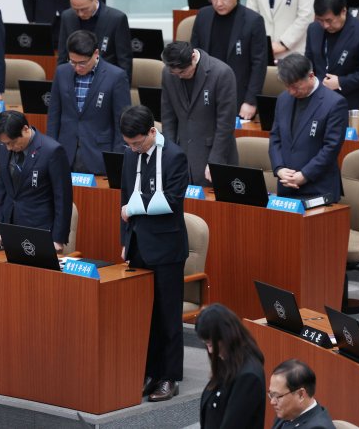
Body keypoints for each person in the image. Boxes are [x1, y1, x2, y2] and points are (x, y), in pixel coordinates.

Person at [120, 105, 189, 402]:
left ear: (152, 131)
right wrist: (126, 240)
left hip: (167, 248)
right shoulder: (129, 154)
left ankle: (170, 377)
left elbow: (171, 201)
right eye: (129, 144)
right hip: (138, 245)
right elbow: (124, 199)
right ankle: (149, 371)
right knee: (144, 315)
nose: (134, 148)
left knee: (168, 317)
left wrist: (133, 209)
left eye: (138, 143)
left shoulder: (174, 156)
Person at [47, 30, 130, 175]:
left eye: (82, 63)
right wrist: (50, 151)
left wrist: (116, 160)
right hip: (65, 153)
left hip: (99, 156)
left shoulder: (116, 76)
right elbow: (54, 116)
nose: (77, 67)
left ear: (96, 53)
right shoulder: (62, 72)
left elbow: (121, 123)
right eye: (73, 62)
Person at [268, 54, 348, 202]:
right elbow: (275, 138)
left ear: (311, 76)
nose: (291, 91)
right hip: (286, 187)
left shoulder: (334, 103)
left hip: (318, 189)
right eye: (287, 86)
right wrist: (279, 169)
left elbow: (331, 147)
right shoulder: (283, 99)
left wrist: (304, 175)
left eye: (295, 87)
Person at [191, 0, 268, 120]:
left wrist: (250, 101)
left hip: (238, 96)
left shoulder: (253, 21)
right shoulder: (203, 16)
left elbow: (259, 65)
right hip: (206, 93)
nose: (218, 2)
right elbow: (194, 55)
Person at [160, 41, 238, 186]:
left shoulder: (221, 73)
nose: (179, 76)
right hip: (181, 155)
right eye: (174, 73)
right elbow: (168, 117)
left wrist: (215, 162)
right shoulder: (168, 74)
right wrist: (169, 156)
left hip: (212, 156)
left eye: (182, 72)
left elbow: (225, 125)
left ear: (193, 57)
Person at [0, 110, 72, 253]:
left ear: (25, 129)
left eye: (12, 143)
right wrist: (0, 228)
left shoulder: (52, 151)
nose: (9, 148)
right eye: (5, 143)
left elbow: (63, 198)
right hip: (11, 228)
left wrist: (58, 239)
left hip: (40, 229)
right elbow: (2, 190)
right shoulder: (2, 148)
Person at [305, 0, 359, 130]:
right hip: (320, 106)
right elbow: (308, 61)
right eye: (320, 20)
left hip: (352, 106)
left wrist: (341, 82)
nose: (325, 25)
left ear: (343, 12)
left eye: (329, 20)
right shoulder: (313, 29)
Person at [195, 303, 266, 429]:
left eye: (211, 344)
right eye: (207, 344)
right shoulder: (228, 363)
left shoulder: (248, 376)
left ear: (227, 337)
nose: (210, 351)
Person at [57, 0, 133, 81]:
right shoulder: (67, 16)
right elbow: (62, 56)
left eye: (84, 9)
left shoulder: (116, 19)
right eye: (75, 9)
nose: (80, 14)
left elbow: (124, 60)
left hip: (106, 80)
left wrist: (123, 89)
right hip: (74, 79)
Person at [269, 359, 336, 429]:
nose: (272, 402)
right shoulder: (287, 413)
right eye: (271, 394)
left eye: (277, 396)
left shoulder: (318, 427)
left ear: (300, 395)